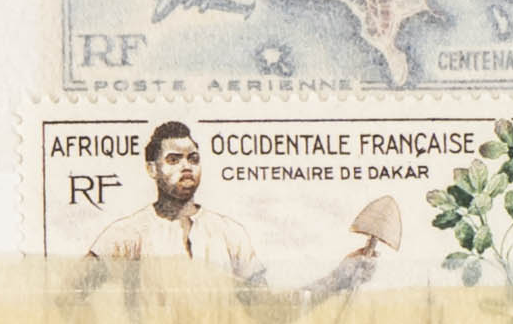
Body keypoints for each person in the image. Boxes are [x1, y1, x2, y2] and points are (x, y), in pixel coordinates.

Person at [83, 117, 398, 293]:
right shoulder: (127, 234)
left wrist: (338, 278)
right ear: (152, 169)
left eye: (193, 158)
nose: (187, 167)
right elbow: (69, 294)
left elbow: (268, 312)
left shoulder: (229, 234)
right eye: (174, 160)